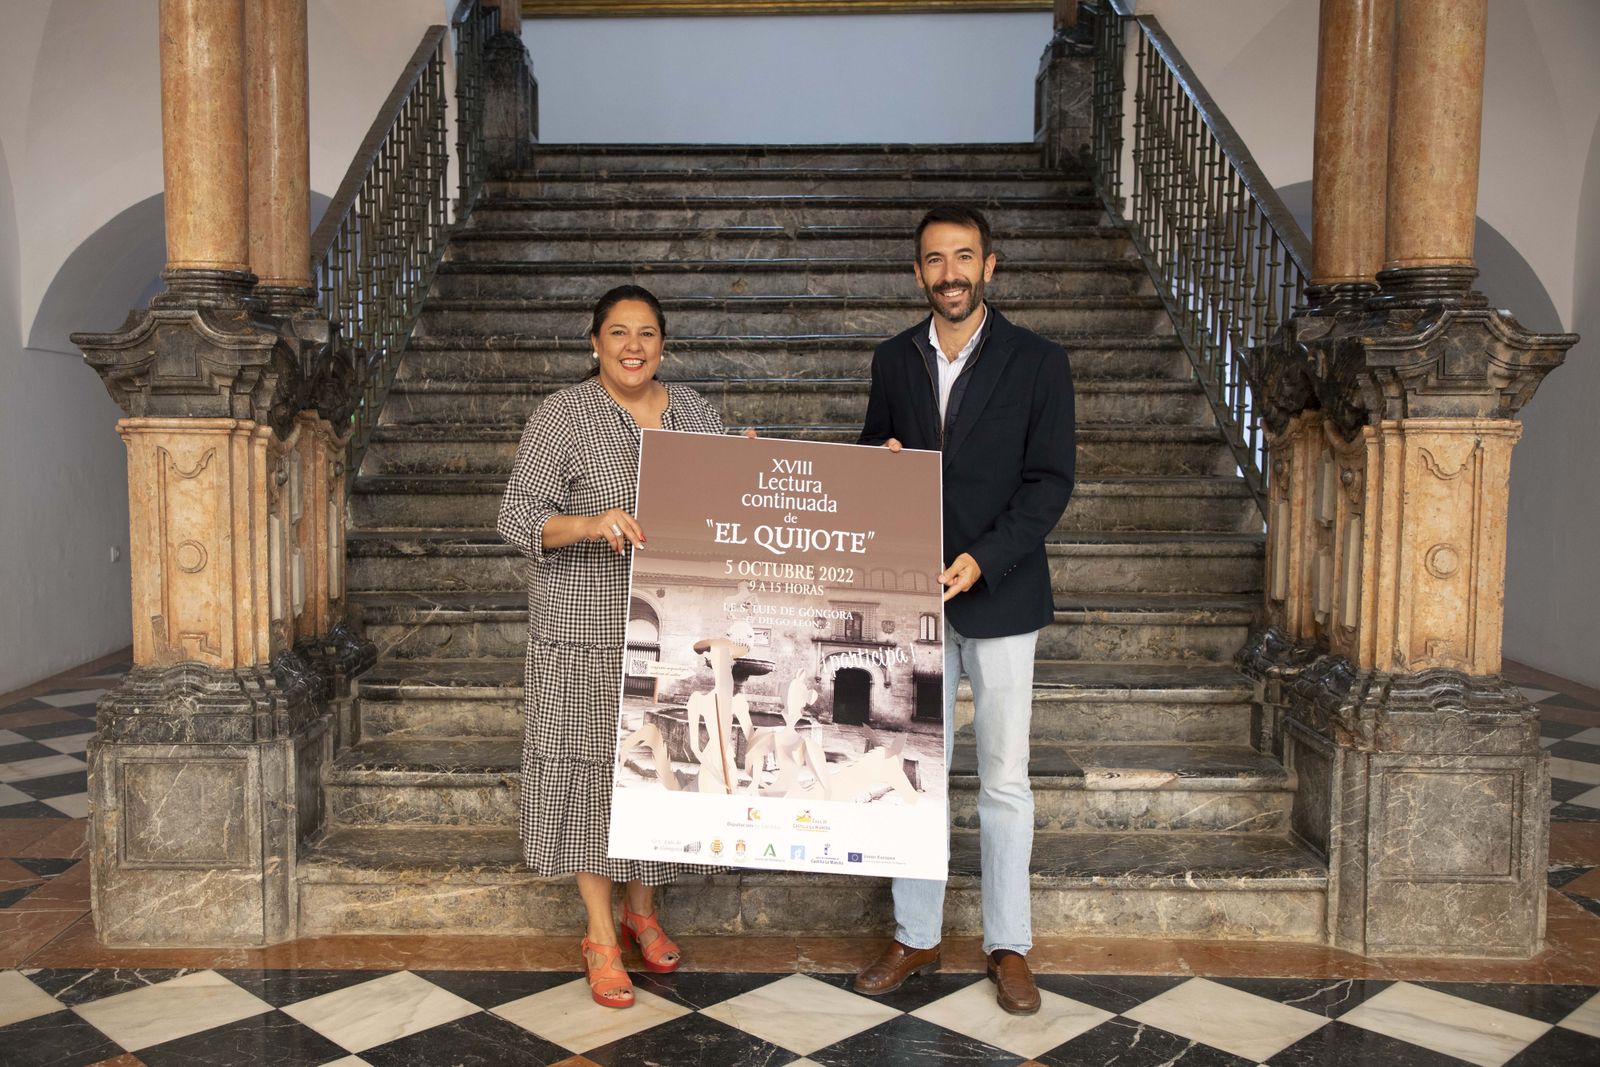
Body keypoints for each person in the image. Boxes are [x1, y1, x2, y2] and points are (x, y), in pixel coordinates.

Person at [853, 205, 1076, 1015]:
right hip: (911, 594)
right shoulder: (894, 359)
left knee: (1006, 778)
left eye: (964, 257)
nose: (949, 272)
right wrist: (871, 465)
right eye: (934, 260)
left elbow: (1049, 480)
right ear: (918, 273)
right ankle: (917, 933)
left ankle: (1008, 943)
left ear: (991, 266)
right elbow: (878, 452)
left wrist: (984, 556)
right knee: (915, 770)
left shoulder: (1039, 362)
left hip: (1003, 591)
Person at [497, 284, 725, 1009]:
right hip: (582, 629)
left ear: (664, 343)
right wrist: (591, 521)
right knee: (597, 775)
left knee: (654, 771)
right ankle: (600, 934)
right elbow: (517, 515)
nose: (634, 346)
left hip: (665, 630)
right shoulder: (563, 413)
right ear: (594, 342)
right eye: (619, 332)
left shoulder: (694, 411)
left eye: (648, 333)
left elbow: (723, 505)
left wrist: (748, 474)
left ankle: (642, 910)